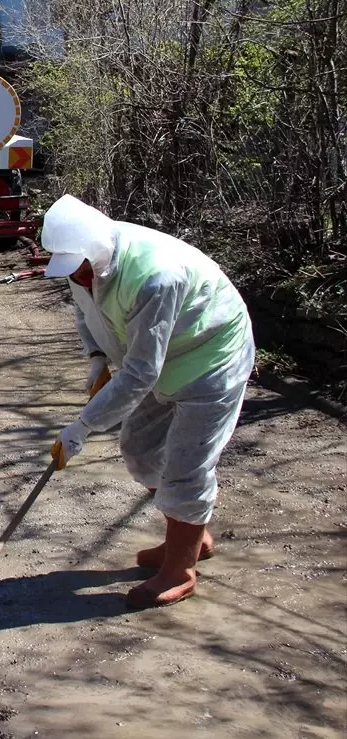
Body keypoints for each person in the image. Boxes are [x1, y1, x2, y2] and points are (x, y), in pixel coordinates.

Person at [43, 195, 254, 610]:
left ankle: (180, 570)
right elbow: (87, 315)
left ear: (96, 254)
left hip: (210, 356)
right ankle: (192, 535)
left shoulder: (156, 276)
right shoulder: (82, 265)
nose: (80, 279)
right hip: (160, 357)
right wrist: (96, 356)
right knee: (139, 449)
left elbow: (141, 373)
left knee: (185, 465)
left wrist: (83, 426)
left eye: (83, 270)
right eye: (73, 272)